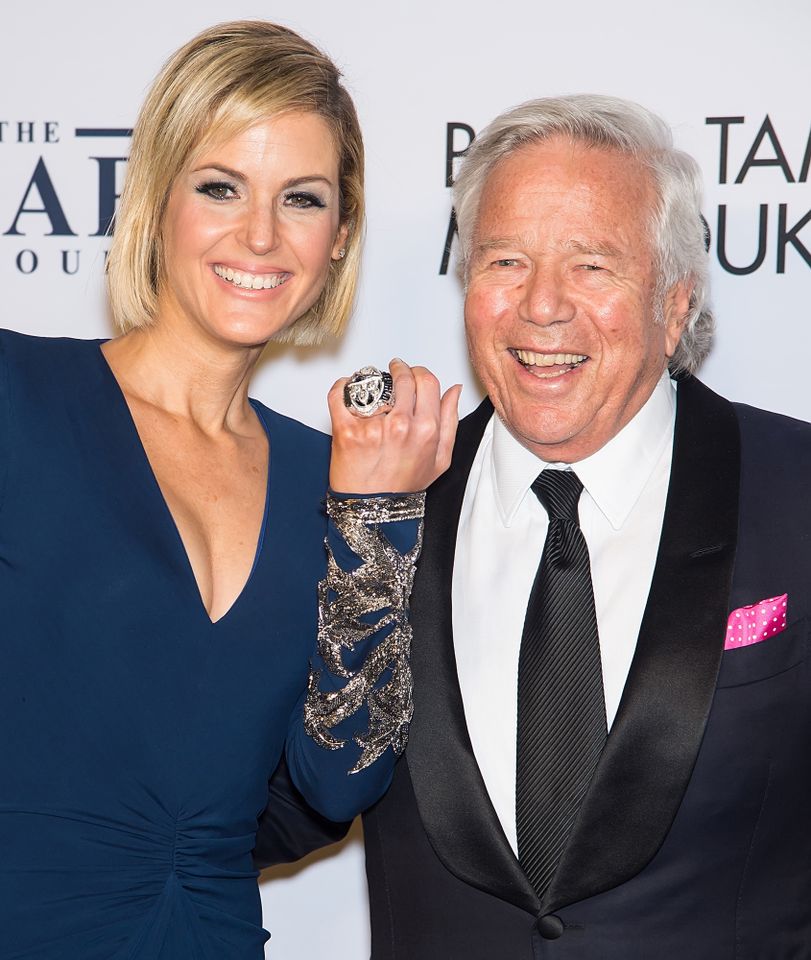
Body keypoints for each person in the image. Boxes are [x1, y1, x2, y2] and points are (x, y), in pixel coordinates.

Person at [259, 94, 811, 957]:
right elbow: (276, 805)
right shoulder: (372, 511)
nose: (541, 306)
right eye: (505, 261)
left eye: (592, 266)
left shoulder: (795, 490)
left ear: (674, 305)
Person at [0, 20, 459, 960]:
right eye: (220, 187)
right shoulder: (17, 399)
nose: (259, 235)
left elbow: (338, 785)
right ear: (157, 199)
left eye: (302, 199)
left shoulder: (329, 481)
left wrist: (373, 523)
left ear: (339, 237)